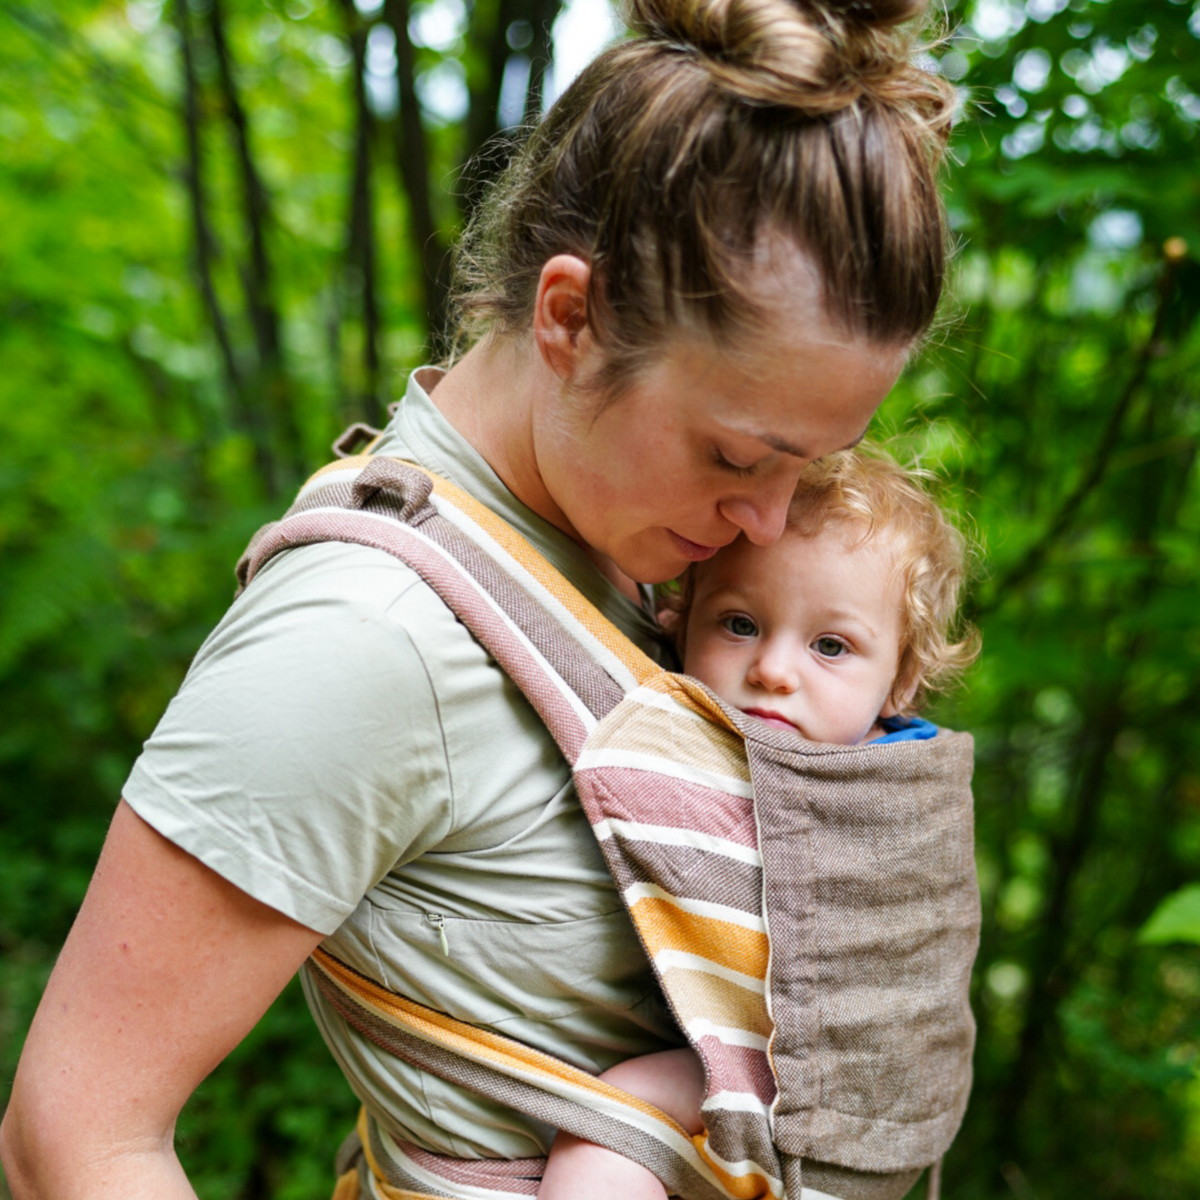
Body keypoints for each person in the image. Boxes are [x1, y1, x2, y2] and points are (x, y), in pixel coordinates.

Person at [0, 0, 958, 1196]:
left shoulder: (627, 563)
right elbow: (72, 1136)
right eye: (734, 455)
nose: (768, 522)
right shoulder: (364, 637)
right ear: (569, 316)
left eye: (807, 465)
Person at [538, 446, 980, 1200]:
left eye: (830, 646)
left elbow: (916, 967)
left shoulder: (903, 794)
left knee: (604, 1132)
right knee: (615, 1127)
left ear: (901, 679)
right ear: (679, 626)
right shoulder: (690, 735)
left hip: (837, 1105)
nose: (774, 668)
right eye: (739, 623)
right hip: (747, 1072)